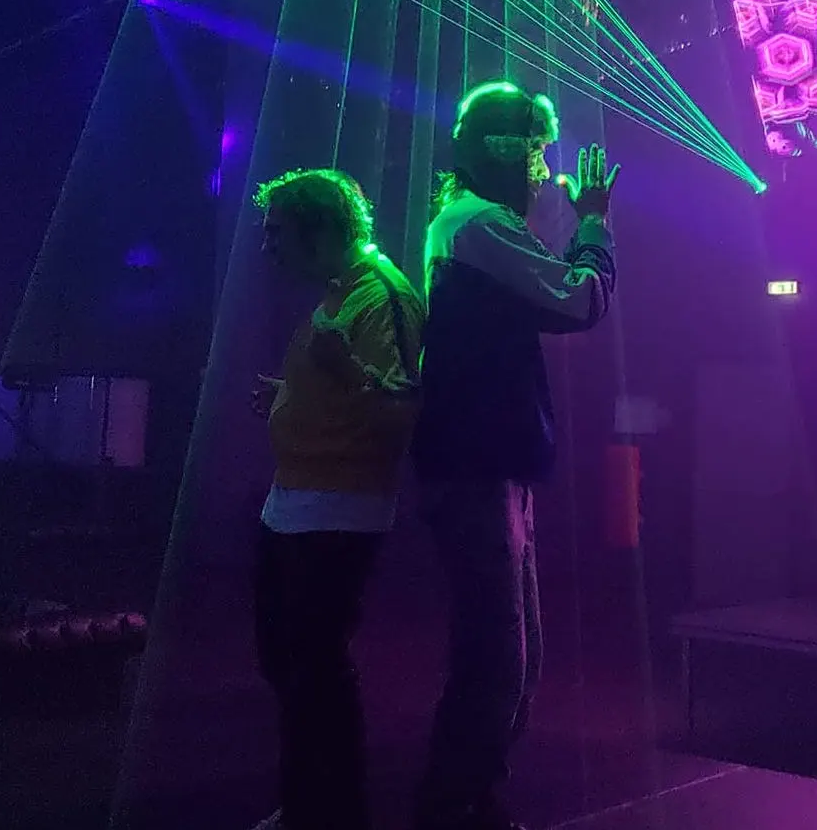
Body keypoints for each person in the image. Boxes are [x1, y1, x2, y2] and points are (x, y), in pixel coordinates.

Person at [412, 82, 620, 830]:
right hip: (478, 464)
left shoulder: (472, 223)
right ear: (499, 151)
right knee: (498, 657)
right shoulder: (480, 224)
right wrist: (593, 222)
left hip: (489, 461)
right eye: (535, 153)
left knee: (513, 655)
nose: (542, 172)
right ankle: (452, 809)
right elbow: (581, 299)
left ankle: (474, 801)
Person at [249, 168, 425, 830]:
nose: (268, 248)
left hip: (338, 509)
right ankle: (310, 805)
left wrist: (343, 373)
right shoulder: (342, 291)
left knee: (313, 669)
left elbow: (402, 413)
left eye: (277, 234)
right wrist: (295, 394)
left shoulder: (382, 296)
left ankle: (330, 813)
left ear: (321, 230)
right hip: (298, 503)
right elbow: (349, 389)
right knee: (288, 661)